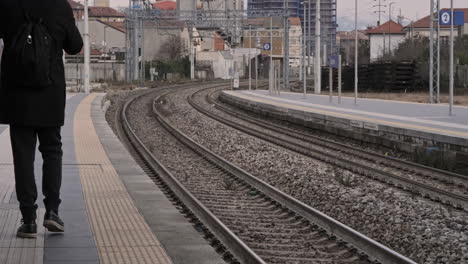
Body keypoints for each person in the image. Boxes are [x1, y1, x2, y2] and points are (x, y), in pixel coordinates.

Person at [0, 0, 83, 238]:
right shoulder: (59, 6)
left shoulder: (8, 5)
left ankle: (28, 221)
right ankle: (53, 212)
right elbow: (75, 46)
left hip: (17, 94)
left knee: (23, 157)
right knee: (52, 151)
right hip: (50, 92)